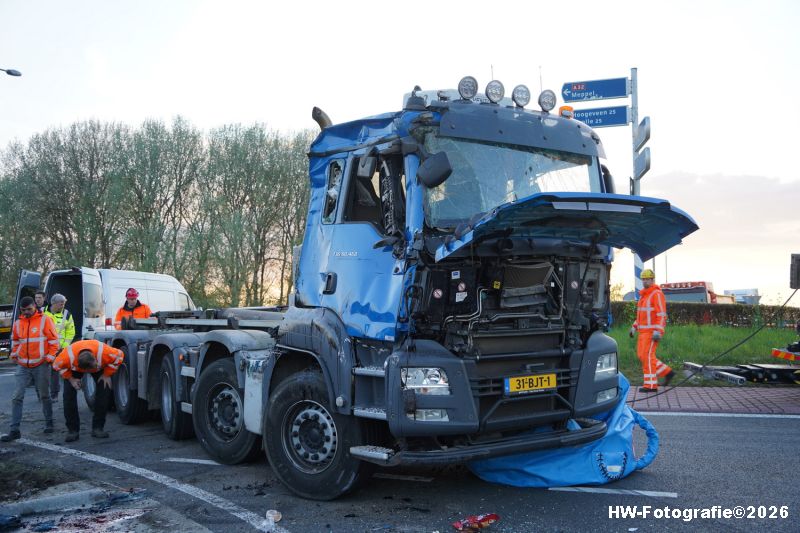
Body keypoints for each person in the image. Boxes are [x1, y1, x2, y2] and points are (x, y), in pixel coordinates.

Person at [0, 296, 59, 441]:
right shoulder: (18, 323)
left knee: (44, 395)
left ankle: (49, 422)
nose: (26, 312)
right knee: (17, 397)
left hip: (41, 364)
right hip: (22, 365)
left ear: (35, 307)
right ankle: (14, 430)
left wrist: (50, 358)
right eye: (23, 310)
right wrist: (14, 354)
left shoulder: (45, 320)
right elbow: (15, 340)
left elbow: (54, 341)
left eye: (29, 309)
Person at [51, 339, 124, 441]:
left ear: (95, 359)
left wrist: (107, 374)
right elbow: (56, 366)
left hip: (99, 367)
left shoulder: (105, 353)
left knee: (104, 391)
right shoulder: (66, 357)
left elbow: (120, 356)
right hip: (73, 370)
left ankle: (98, 428)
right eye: (88, 371)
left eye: (92, 369)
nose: (89, 373)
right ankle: (73, 431)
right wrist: (71, 379)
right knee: (68, 396)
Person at [629, 269, 676, 393]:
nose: (645, 281)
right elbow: (641, 316)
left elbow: (661, 314)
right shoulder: (643, 295)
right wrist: (634, 327)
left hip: (651, 332)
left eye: (647, 279)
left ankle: (650, 386)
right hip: (643, 333)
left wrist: (658, 331)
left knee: (647, 356)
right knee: (642, 356)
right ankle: (667, 372)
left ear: (652, 279)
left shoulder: (656, 294)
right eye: (643, 279)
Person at [44, 294, 76, 402]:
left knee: (55, 371)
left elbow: (71, 332)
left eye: (63, 304)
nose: (62, 306)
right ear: (53, 303)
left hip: (58, 348)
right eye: (60, 304)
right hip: (43, 348)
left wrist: (65, 346)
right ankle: (42, 394)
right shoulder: (42, 313)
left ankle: (54, 394)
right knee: (41, 372)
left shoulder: (67, 314)